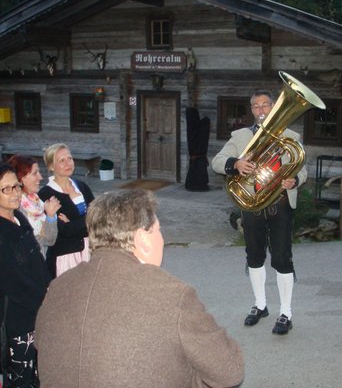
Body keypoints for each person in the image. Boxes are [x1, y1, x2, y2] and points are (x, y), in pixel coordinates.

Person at [35, 189, 244, 388]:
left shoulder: (58, 287)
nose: (162, 239)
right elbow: (230, 370)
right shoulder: (171, 294)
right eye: (158, 231)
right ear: (143, 239)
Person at [212, 89, 307, 334]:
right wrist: (236, 164)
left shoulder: (290, 135)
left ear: (274, 106)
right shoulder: (241, 136)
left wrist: (294, 180)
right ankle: (260, 305)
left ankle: (286, 313)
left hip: (281, 205)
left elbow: (302, 168)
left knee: (282, 258)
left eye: (266, 105)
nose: (261, 110)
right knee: (254, 256)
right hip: (252, 204)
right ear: (251, 109)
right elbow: (217, 161)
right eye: (256, 106)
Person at [0, 163, 50, 388]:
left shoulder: (20, 217)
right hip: (18, 322)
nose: (15, 193)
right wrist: (43, 301)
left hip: (37, 313)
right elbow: (12, 282)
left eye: (16, 186)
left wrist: (50, 288)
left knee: (39, 376)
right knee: (21, 378)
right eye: (6, 189)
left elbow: (38, 261)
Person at [38, 143, 94, 278]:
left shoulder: (81, 186)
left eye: (70, 158)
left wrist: (73, 223)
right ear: (51, 166)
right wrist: (88, 218)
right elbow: (65, 231)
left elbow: (98, 218)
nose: (68, 163)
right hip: (64, 258)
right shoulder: (46, 194)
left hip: (89, 252)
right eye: (61, 160)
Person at [8, 154, 64, 257]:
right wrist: (50, 217)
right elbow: (45, 241)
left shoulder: (35, 200)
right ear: (21, 178)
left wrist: (51, 217)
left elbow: (49, 239)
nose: (40, 177)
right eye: (35, 173)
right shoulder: (17, 208)